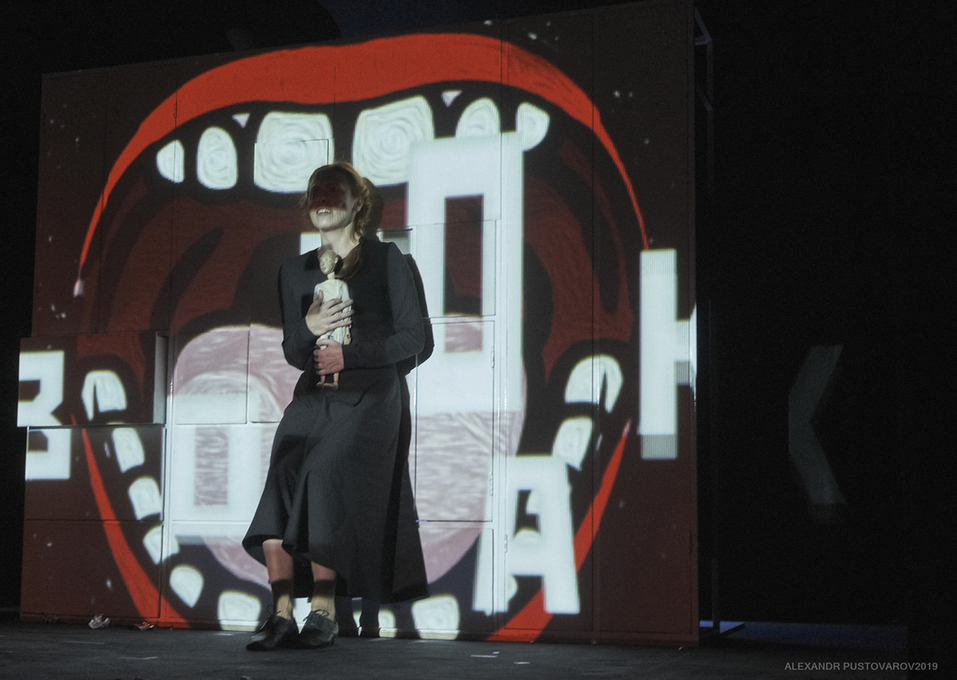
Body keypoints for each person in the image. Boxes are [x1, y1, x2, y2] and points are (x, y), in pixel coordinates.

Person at [242, 161, 429, 651]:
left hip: (370, 397)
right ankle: (281, 612)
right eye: (316, 191)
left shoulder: (386, 260)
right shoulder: (295, 271)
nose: (323, 197)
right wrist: (308, 326)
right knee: (281, 483)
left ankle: (323, 610)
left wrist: (354, 355)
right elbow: (293, 351)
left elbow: (414, 339)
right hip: (314, 396)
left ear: (356, 201)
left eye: (333, 189)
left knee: (323, 475)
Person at [313, 247, 352, 389]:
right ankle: (322, 379)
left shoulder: (341, 285)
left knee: (336, 349)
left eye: (326, 260)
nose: (323, 264)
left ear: (335, 261)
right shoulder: (319, 287)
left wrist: (347, 329)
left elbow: (347, 306)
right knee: (323, 348)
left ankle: (335, 381)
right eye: (321, 262)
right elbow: (315, 308)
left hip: (339, 323)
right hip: (324, 324)